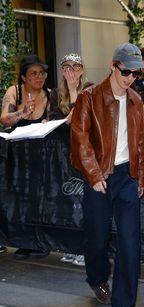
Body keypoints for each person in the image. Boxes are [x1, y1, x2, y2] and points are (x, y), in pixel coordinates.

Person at [70, 42, 144, 307]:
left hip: (127, 177)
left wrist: (139, 176)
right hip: (100, 176)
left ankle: (125, 305)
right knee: (97, 237)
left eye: (135, 74)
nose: (130, 79)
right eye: (126, 72)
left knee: (129, 242)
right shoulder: (89, 98)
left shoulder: (136, 100)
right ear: (112, 66)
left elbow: (139, 142)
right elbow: (80, 138)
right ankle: (97, 278)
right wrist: (94, 175)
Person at [0, 54, 50, 260]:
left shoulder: (50, 94)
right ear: (24, 77)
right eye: (34, 73)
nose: (39, 77)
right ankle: (19, 240)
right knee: (17, 196)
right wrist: (22, 113)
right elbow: (4, 118)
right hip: (16, 154)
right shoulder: (15, 91)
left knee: (38, 197)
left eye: (42, 73)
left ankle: (38, 242)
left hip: (40, 154)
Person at [49, 52, 92, 266]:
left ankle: (86, 249)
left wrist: (75, 93)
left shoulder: (91, 88)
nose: (70, 72)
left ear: (82, 70)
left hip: (85, 153)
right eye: (66, 67)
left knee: (84, 203)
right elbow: (53, 119)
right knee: (68, 202)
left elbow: (82, 121)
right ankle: (71, 246)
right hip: (63, 153)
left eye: (75, 67)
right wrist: (66, 119)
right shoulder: (55, 92)